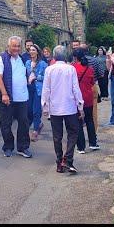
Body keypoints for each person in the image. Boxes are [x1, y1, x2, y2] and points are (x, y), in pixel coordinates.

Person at [42, 45, 84, 173]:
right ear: (65, 56)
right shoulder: (70, 69)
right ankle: (68, 159)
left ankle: (59, 163)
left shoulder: (49, 70)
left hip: (55, 108)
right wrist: (80, 105)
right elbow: (75, 88)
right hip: (69, 106)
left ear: (54, 56)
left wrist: (45, 107)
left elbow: (46, 89)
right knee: (73, 133)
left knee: (57, 136)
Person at [0, 36, 32, 158]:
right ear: (8, 46)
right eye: (14, 46)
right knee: (6, 123)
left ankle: (22, 147)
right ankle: (8, 146)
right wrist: (4, 94)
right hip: (8, 98)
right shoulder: (1, 59)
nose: (16, 48)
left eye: (18, 46)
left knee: (24, 123)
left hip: (22, 98)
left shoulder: (21, 59)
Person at [72, 48, 98, 153]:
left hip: (77, 99)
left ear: (74, 57)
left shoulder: (72, 68)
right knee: (89, 120)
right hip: (88, 97)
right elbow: (92, 83)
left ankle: (81, 147)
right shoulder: (89, 69)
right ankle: (93, 143)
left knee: (78, 122)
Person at [25, 43, 48, 141]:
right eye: (30, 50)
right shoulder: (27, 63)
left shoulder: (43, 64)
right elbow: (25, 74)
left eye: (33, 50)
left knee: (36, 110)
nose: (31, 52)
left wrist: (37, 77)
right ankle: (38, 124)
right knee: (29, 110)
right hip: (28, 88)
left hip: (38, 89)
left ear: (38, 52)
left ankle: (35, 131)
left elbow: (47, 78)